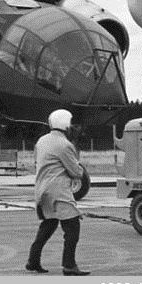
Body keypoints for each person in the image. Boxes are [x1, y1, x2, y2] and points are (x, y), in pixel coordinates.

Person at [25, 109, 89, 275]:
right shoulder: (65, 145)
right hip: (58, 192)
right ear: (65, 125)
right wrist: (78, 167)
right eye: (70, 124)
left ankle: (33, 260)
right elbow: (77, 172)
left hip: (41, 190)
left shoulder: (41, 141)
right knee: (72, 227)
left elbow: (37, 162)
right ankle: (69, 265)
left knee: (49, 224)